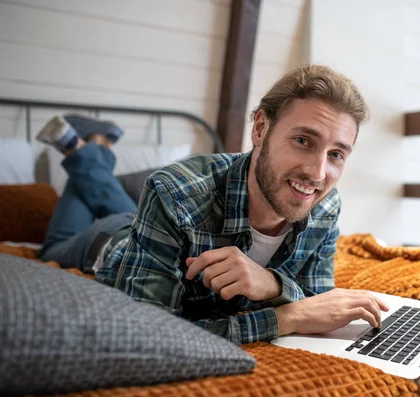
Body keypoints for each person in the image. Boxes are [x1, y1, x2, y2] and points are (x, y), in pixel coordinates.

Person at [38, 64, 389, 345]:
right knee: (53, 245)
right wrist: (285, 317)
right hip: (106, 244)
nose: (317, 172)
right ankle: (83, 152)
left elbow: (316, 302)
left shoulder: (324, 206)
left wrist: (272, 284)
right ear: (261, 128)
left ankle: (90, 149)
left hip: (146, 220)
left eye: (336, 154)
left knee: (117, 203)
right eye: (302, 140)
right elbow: (146, 333)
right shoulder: (174, 193)